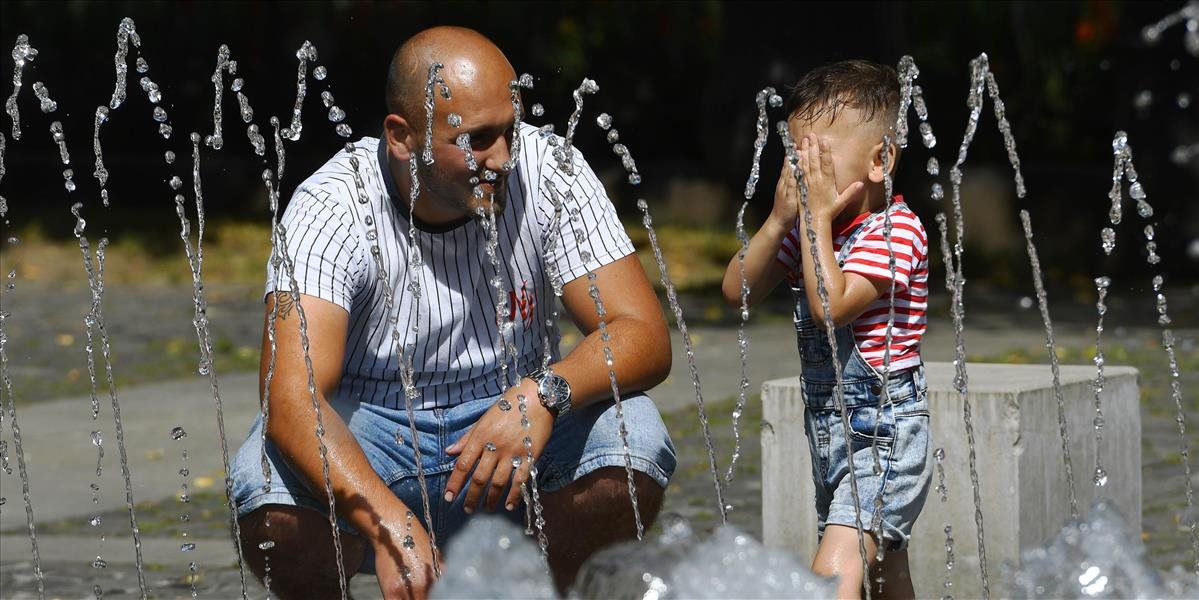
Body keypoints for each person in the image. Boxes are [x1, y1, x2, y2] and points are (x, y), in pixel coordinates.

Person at [229, 26, 676, 599]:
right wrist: (386, 523)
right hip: (376, 439)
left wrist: (544, 393)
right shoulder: (330, 207)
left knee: (632, 435)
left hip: (518, 433)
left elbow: (641, 332)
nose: (505, 157)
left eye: (511, 130)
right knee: (263, 486)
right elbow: (290, 398)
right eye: (478, 139)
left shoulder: (550, 170)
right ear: (400, 136)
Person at [721, 60, 931, 599]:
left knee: (832, 571)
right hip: (832, 434)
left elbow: (831, 306)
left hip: (886, 436)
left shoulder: (896, 233)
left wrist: (813, 222)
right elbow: (736, 291)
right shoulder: (814, 233)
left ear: (880, 160)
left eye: (818, 160)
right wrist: (776, 222)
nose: (804, 174)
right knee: (885, 569)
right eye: (796, 158)